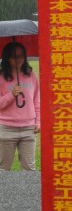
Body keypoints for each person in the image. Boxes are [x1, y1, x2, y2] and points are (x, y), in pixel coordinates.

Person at [0, 42, 40, 171]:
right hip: (6, 129)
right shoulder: (1, 78)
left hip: (28, 128)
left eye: (21, 55)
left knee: (29, 167)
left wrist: (38, 121)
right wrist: (11, 95)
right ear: (7, 58)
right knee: (4, 168)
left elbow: (36, 100)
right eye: (14, 56)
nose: (18, 59)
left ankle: (28, 192)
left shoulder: (31, 76)